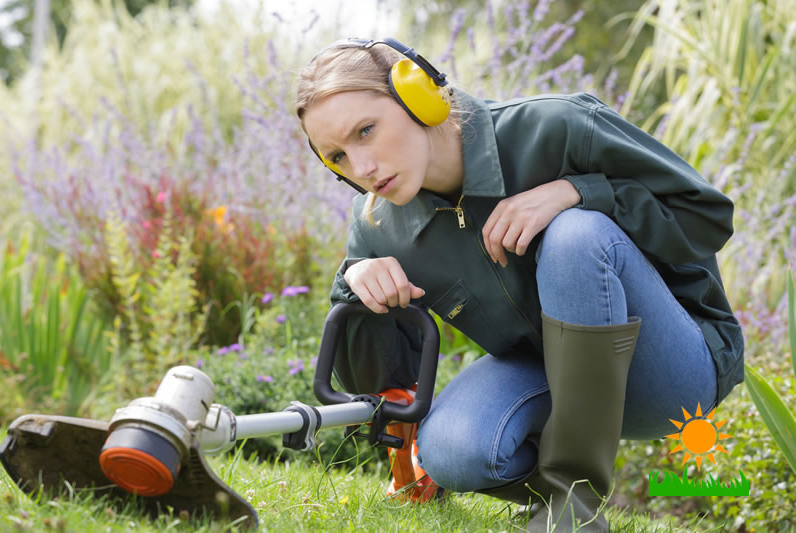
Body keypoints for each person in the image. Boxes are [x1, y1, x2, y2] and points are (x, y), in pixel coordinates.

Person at [294, 38, 744, 532]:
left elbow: (708, 216)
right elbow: (382, 387)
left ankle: (574, 508)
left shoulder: (557, 127)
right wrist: (355, 287)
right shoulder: (378, 223)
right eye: (337, 155)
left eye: (366, 131)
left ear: (417, 95)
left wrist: (579, 191)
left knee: (575, 234)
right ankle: (554, 489)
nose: (362, 169)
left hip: (670, 374)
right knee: (450, 453)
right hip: (546, 373)